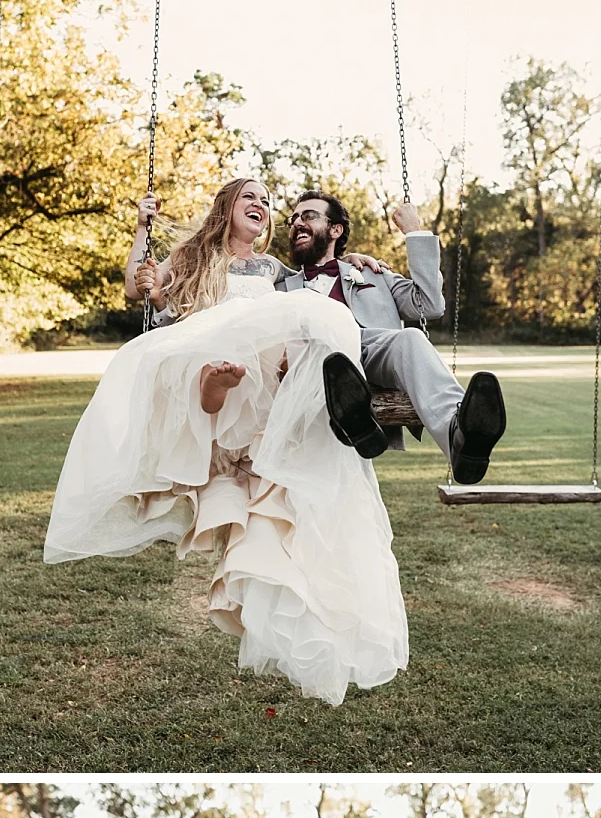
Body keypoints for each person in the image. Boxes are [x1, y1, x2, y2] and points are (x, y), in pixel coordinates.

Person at [44, 177, 407, 705]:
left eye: (266, 201)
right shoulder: (194, 255)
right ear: (227, 208)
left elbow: (319, 278)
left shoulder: (276, 272)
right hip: (206, 352)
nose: (261, 205)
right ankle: (215, 388)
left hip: (263, 379)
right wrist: (143, 228)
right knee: (222, 350)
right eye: (249, 198)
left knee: (315, 318)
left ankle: (317, 394)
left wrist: (359, 259)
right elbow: (138, 288)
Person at [280, 192, 506, 482]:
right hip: (322, 365)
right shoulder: (281, 286)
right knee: (330, 352)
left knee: (410, 337)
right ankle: (358, 423)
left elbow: (430, 305)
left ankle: (461, 440)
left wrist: (414, 231)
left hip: (373, 352)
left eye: (308, 216)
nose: (298, 222)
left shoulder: (372, 273)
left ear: (335, 230)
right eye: (294, 219)